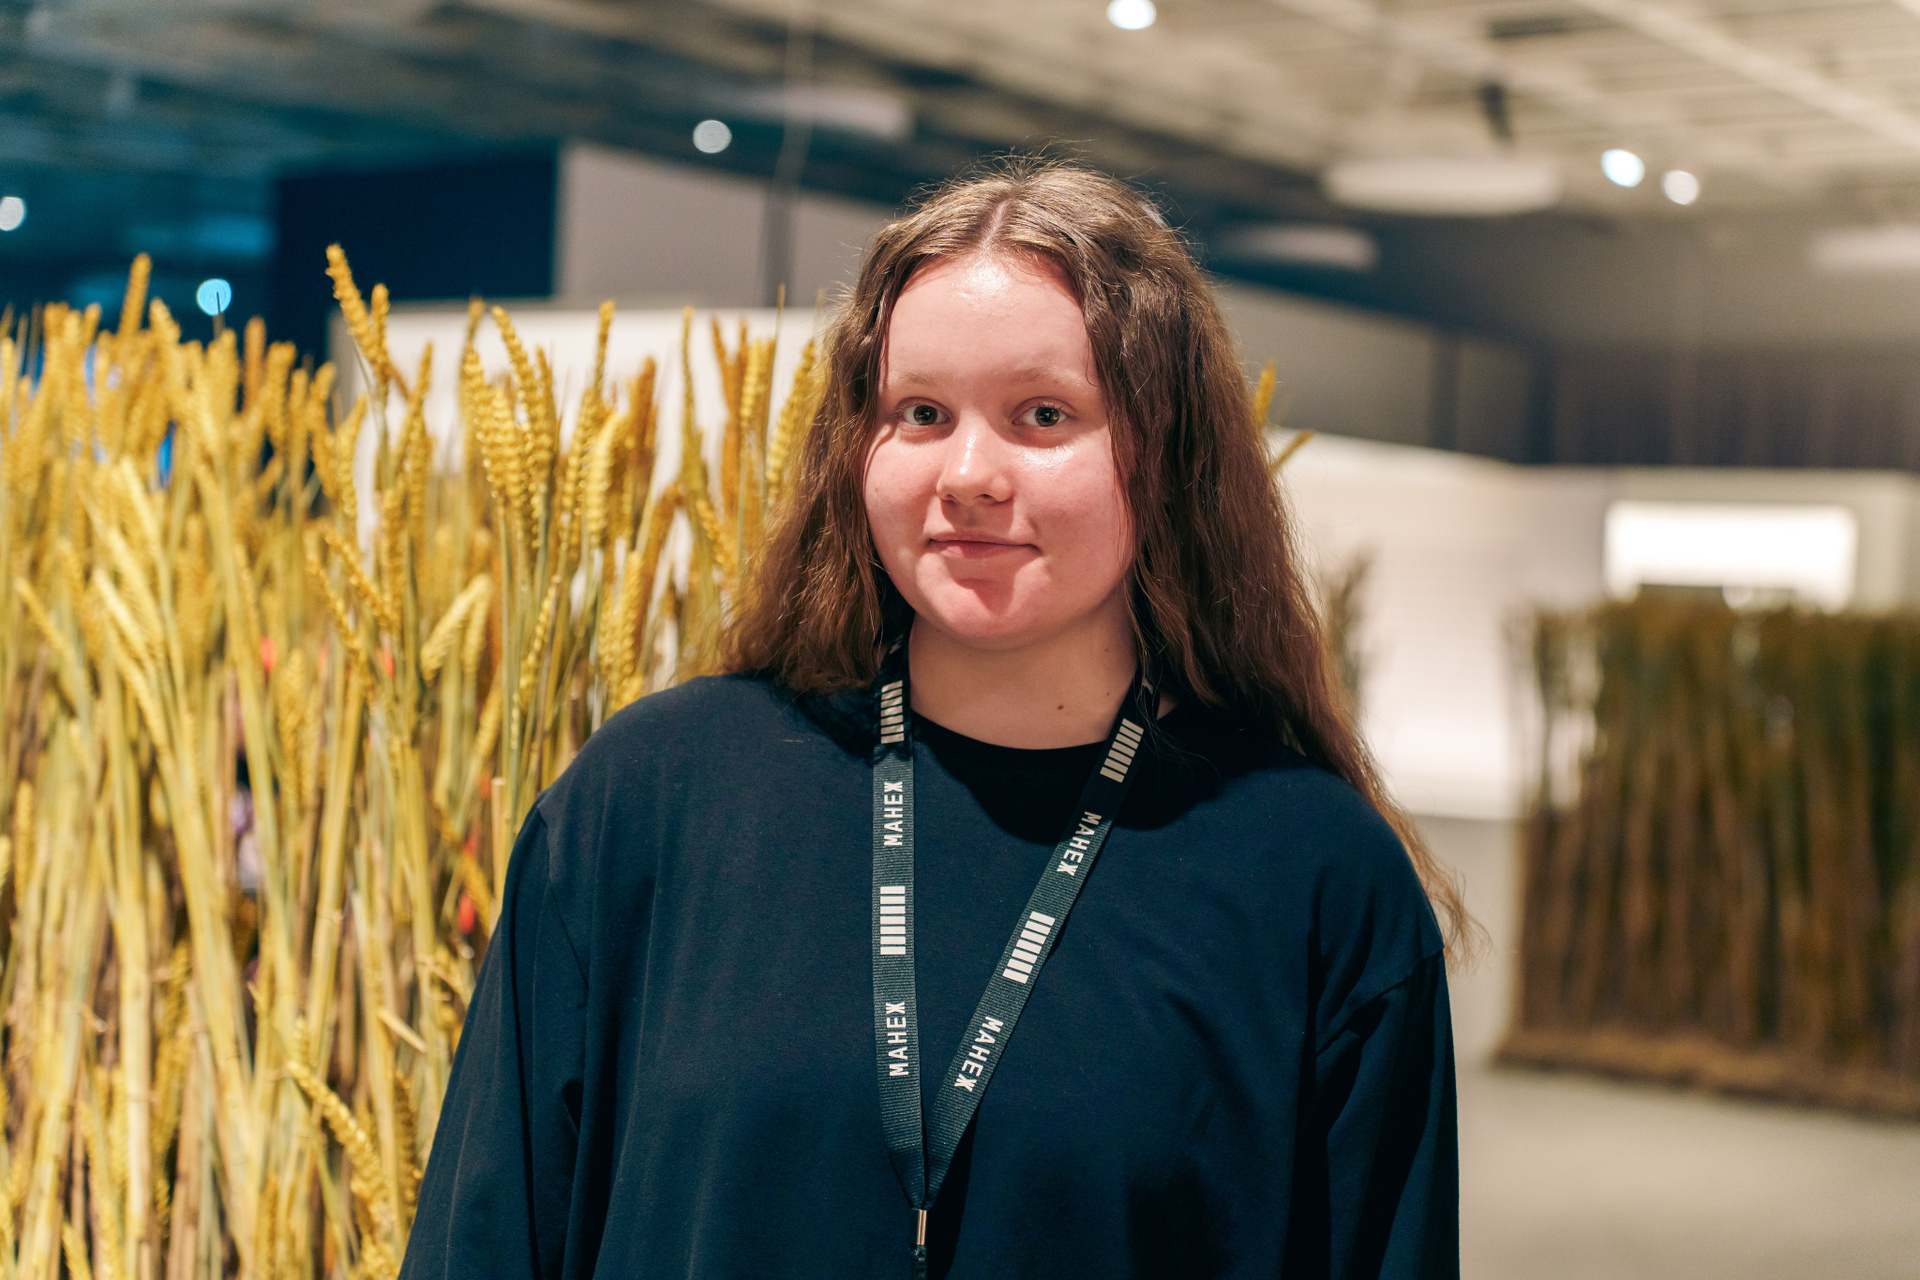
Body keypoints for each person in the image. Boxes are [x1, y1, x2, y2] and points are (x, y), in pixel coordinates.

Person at [400, 159, 1468, 1280]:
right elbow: (487, 1241)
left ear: (1168, 454)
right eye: (920, 413)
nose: (968, 473)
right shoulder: (652, 799)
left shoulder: (1313, 877)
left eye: (1043, 415)